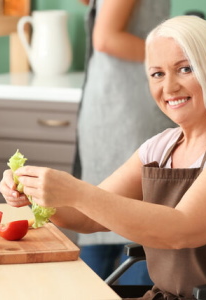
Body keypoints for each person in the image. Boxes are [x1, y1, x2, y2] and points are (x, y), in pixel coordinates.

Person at [0, 15, 206, 299]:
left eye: (185, 69)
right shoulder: (161, 147)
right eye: (157, 73)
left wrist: (77, 191)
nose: (169, 86)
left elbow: (182, 230)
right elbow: (86, 217)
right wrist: (36, 192)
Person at [74, 0, 175, 285]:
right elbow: (106, 38)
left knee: (104, 222)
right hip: (128, 109)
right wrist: (184, 59)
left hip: (114, 105)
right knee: (139, 228)